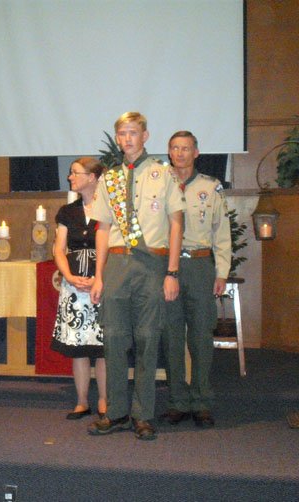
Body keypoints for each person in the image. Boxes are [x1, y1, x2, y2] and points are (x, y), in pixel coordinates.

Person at [88, 112, 185, 440]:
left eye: (133, 132)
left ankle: (143, 414)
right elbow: (102, 229)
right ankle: (115, 412)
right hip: (116, 265)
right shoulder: (109, 179)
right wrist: (99, 275)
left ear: (145, 135)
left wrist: (172, 271)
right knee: (113, 340)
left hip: (151, 266)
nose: (128, 139)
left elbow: (176, 224)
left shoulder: (163, 174)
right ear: (118, 138)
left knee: (147, 340)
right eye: (122, 134)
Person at [161, 131, 231, 428]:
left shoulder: (211, 187)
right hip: (167, 269)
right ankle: (178, 400)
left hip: (201, 266)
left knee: (201, 336)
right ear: (169, 152)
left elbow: (221, 233)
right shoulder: (158, 186)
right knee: (172, 335)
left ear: (196, 152)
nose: (180, 153)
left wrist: (222, 271)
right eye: (175, 148)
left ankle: (201, 401)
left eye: (186, 148)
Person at [51, 157, 107, 420]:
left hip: (102, 283)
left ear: (93, 177)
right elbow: (58, 249)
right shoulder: (67, 211)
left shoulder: (110, 209)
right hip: (74, 285)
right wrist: (69, 276)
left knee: (103, 346)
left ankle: (106, 401)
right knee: (79, 346)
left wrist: (99, 278)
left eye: (75, 173)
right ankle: (82, 401)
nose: (70, 177)